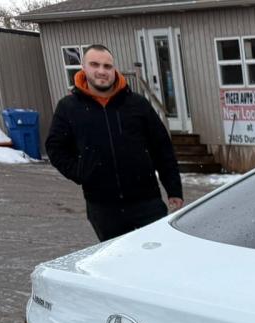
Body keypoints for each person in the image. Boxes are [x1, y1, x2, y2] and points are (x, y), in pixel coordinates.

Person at [45, 44, 183, 241]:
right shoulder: (69, 107)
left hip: (147, 202)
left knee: (159, 256)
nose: (102, 71)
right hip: (103, 208)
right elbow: (55, 147)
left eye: (107, 66)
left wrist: (174, 189)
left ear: (114, 69)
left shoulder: (137, 104)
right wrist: (81, 172)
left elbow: (162, 147)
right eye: (95, 65)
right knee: (117, 263)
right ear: (84, 68)